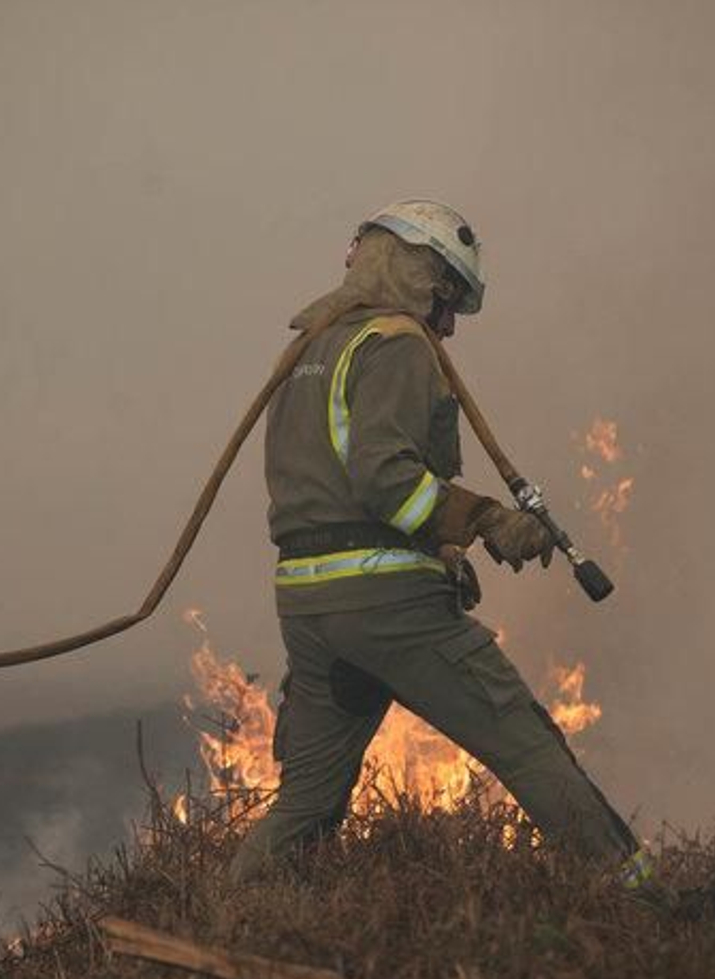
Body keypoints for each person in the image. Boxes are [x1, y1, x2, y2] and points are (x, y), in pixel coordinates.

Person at [230, 200, 657, 893]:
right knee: (523, 738)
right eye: (447, 295)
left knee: (305, 804)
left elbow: (332, 484)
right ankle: (643, 900)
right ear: (412, 268)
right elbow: (383, 480)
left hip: (308, 609)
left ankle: (230, 918)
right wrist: (484, 519)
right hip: (387, 607)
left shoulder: (311, 347)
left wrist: (442, 551)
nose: (449, 323)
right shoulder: (394, 343)